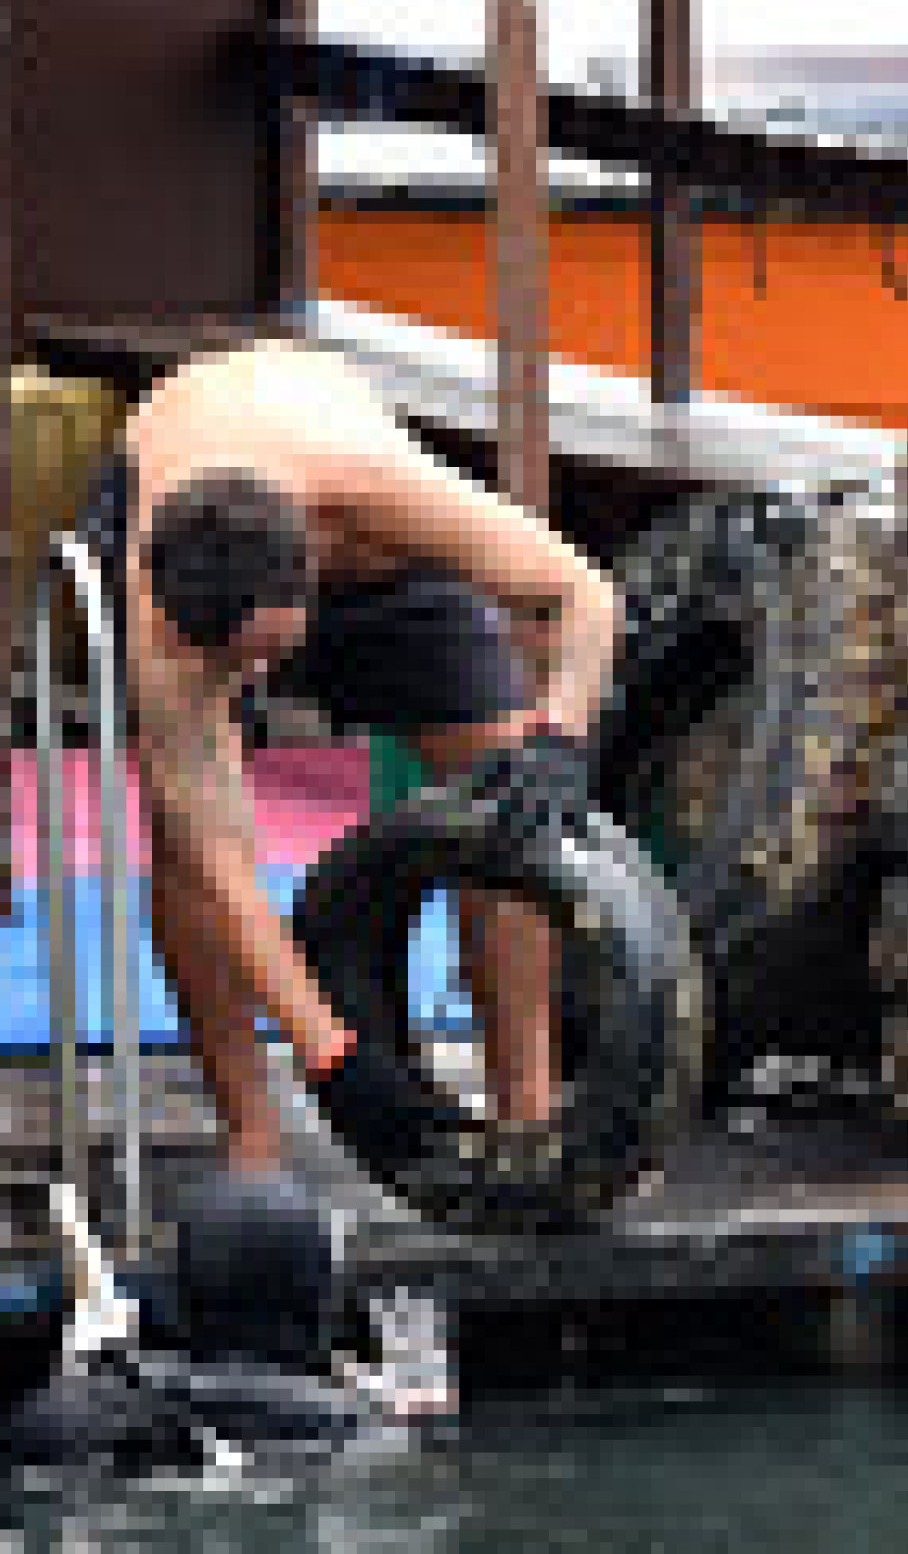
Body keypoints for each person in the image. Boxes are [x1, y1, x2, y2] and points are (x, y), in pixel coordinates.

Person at [90, 333, 622, 1369]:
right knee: (185, 843)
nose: (256, 682)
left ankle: (526, 1112)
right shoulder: (169, 615)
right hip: (178, 468)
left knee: (505, 793)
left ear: (311, 575)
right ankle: (251, 1135)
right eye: (235, 666)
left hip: (342, 504)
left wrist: (560, 739)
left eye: (267, 659)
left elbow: (584, 594)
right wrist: (332, 1058)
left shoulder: (383, 495)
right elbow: (228, 872)